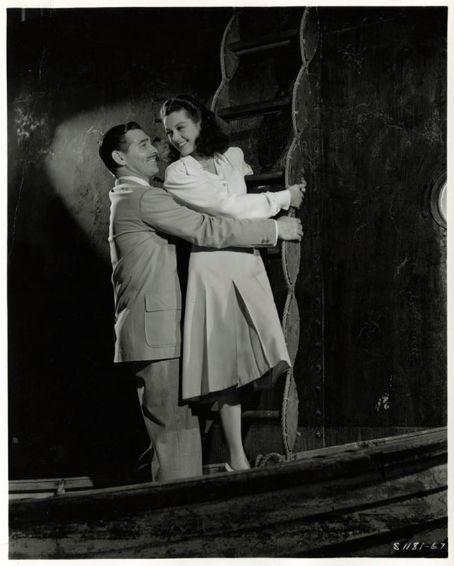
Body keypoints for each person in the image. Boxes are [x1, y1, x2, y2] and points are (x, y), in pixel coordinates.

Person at [98, 121, 303, 482]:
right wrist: (274, 228)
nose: (155, 150)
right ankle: (179, 517)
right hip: (158, 336)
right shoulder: (144, 198)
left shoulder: (127, 197)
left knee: (170, 445)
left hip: (147, 334)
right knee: (178, 447)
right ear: (120, 157)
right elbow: (207, 228)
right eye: (143, 145)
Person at [161, 95, 305, 471]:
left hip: (245, 260)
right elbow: (227, 208)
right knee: (224, 363)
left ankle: (247, 452)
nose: (175, 138)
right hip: (212, 265)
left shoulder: (233, 157)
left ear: (200, 123)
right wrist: (282, 199)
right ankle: (237, 457)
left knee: (259, 353)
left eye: (181, 127)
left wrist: (268, 205)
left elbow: (242, 198)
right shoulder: (178, 174)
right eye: (169, 133)